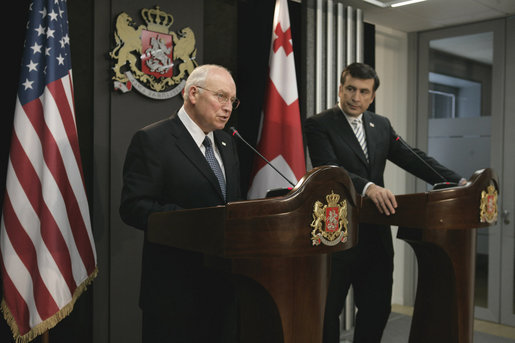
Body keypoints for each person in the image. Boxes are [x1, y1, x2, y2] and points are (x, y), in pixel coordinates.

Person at [304, 62, 465, 343]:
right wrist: (367, 187)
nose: (356, 97)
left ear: (372, 96)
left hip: (376, 234)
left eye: (364, 92)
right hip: (335, 232)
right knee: (327, 312)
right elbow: (329, 169)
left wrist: (458, 181)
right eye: (351, 89)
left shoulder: (381, 126)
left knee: (377, 309)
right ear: (340, 89)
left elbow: (413, 157)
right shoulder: (319, 124)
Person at [119, 64, 242, 343]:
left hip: (223, 286)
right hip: (174, 290)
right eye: (221, 96)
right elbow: (134, 207)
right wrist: (194, 222)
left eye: (232, 100)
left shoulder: (226, 142)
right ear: (193, 93)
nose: (228, 107)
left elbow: (232, 203)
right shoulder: (153, 140)